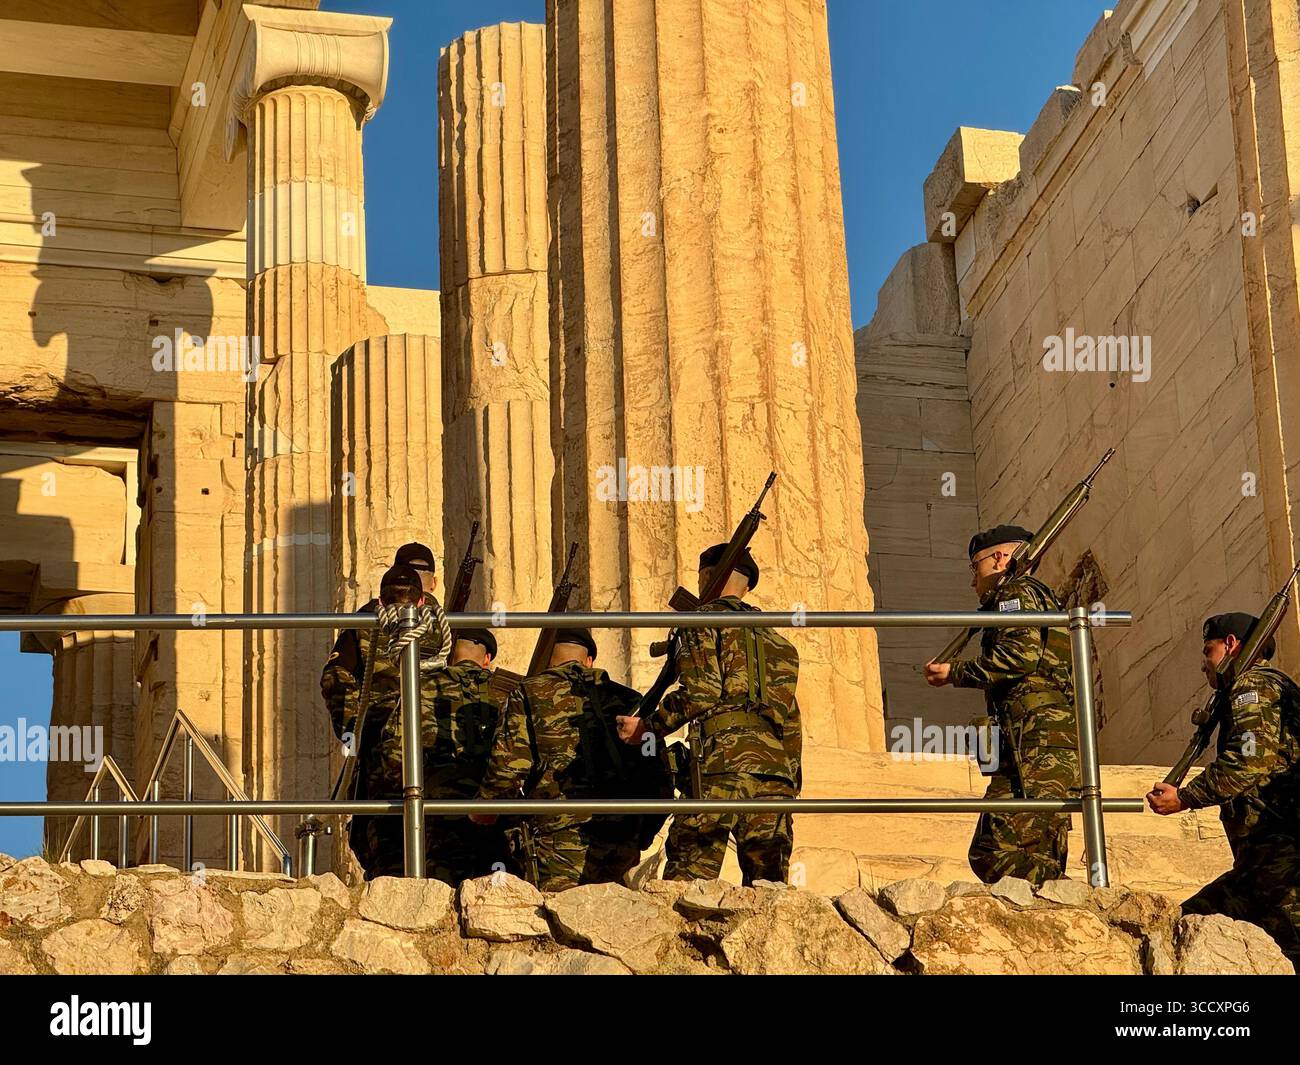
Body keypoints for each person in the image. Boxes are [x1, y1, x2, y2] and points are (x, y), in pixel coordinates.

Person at [618, 544, 802, 885]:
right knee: (769, 886)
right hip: (775, 772)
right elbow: (790, 718)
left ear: (707, 577)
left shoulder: (703, 621)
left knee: (689, 877)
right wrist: (789, 781)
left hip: (722, 762)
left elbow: (702, 694)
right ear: (747, 587)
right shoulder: (780, 643)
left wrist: (649, 727)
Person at [924, 524, 1079, 886]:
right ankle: (1052, 894)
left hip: (1037, 743)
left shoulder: (1016, 592)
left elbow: (1019, 656)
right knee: (1032, 848)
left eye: (974, 567)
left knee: (992, 850)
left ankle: (1055, 892)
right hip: (1037, 741)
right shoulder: (1036, 594)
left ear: (997, 558)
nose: (972, 581)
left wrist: (955, 673)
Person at [1147, 612, 1300, 965]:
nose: (1205, 665)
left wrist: (1184, 797)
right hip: (1260, 865)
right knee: (1188, 925)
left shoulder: (1253, 686)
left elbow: (1248, 761)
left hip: (1284, 857)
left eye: (1208, 651)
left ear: (1230, 645)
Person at [472, 628, 667, 891]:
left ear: (551, 660)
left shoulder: (528, 693)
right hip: (622, 836)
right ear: (589, 661)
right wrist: (640, 836)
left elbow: (507, 769)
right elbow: (659, 777)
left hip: (557, 840)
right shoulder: (628, 700)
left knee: (561, 921)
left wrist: (484, 810)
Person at [320, 548, 447, 876]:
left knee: (385, 851)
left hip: (381, 749)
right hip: (436, 749)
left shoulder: (368, 618)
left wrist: (353, 731)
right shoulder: (444, 621)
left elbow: (335, 678)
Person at [375, 627, 510, 883]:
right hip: (495, 821)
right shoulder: (508, 693)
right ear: (487, 659)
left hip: (435, 813)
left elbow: (392, 755)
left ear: (450, 657)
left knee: (438, 893)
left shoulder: (419, 686)